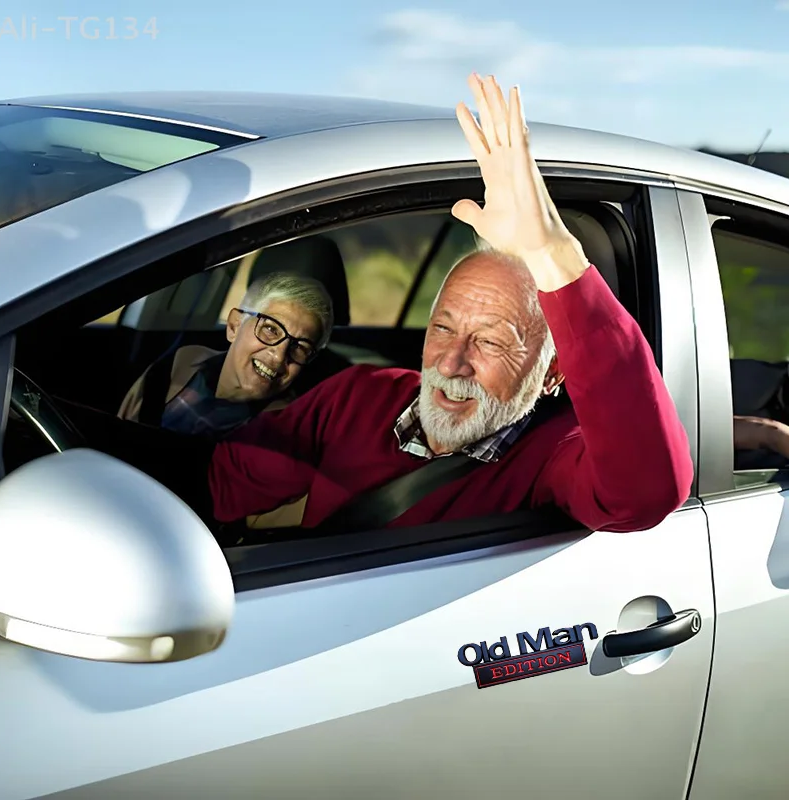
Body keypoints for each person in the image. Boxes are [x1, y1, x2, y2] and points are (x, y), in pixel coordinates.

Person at [206, 73, 694, 535]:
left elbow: (644, 493)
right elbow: (217, 481)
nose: (452, 363)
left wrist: (552, 254)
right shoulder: (357, 397)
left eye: (490, 341)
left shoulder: (555, 453)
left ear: (551, 375)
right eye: (443, 328)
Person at [118, 271, 334, 439]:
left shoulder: (284, 430)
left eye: (300, 347)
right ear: (234, 326)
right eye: (270, 329)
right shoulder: (179, 365)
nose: (279, 357)